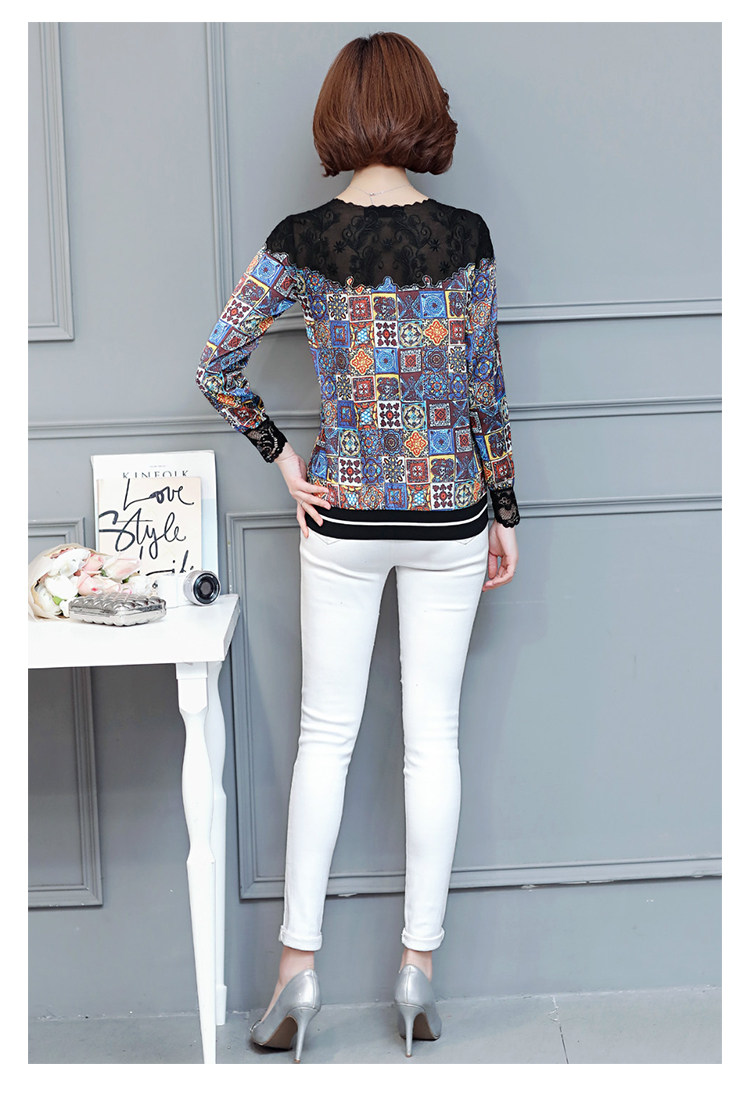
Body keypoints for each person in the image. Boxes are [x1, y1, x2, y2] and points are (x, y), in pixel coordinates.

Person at [195, 30, 520, 1062]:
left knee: (323, 739)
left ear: (337, 116)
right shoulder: (466, 236)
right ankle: (418, 970)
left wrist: (286, 460)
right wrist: (505, 509)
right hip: (449, 515)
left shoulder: (300, 239)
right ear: (423, 109)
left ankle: (296, 974)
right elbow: (485, 390)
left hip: (342, 517)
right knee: (435, 741)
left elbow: (216, 364)